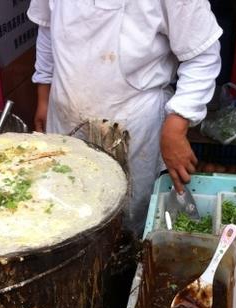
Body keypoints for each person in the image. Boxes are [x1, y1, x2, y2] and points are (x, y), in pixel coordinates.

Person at [28, 0, 222, 235]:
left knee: (125, 226)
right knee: (64, 214)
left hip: (132, 129)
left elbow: (203, 54)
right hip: (66, 117)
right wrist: (44, 97)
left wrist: (177, 125)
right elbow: (47, 29)